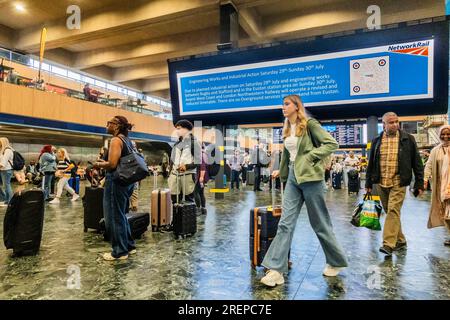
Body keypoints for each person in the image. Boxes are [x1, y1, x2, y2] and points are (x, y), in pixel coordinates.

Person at [260, 95, 348, 287]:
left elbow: (332, 144)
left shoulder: (310, 124)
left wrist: (310, 157)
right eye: (283, 104)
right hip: (292, 177)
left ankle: (336, 261)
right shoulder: (286, 128)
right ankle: (276, 269)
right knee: (285, 223)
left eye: (286, 104)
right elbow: (289, 154)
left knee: (320, 223)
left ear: (296, 106)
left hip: (311, 178)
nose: (283, 107)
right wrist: (281, 171)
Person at [365, 112, 424, 257]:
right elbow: (371, 163)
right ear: (384, 124)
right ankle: (401, 240)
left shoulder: (407, 139)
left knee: (393, 211)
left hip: (399, 181)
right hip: (380, 182)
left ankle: (388, 244)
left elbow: (417, 161)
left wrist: (419, 182)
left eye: (396, 121)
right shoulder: (377, 140)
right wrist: (368, 183)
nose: (395, 124)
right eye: (391, 122)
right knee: (391, 212)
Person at [94, 116, 137, 261]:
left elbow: (112, 164)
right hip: (127, 182)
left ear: (117, 126)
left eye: (109, 123)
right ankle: (129, 246)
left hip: (116, 182)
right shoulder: (127, 140)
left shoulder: (116, 140)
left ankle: (119, 251)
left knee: (113, 216)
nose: (107, 125)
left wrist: (99, 164)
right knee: (121, 214)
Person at [424, 125, 450, 246]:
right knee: (445, 213)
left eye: (448, 134)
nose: (446, 136)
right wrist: (424, 179)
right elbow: (429, 165)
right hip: (441, 186)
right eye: (443, 134)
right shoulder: (435, 150)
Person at [168, 120, 201, 205]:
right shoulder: (176, 144)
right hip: (175, 176)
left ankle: (189, 218)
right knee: (174, 200)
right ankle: (176, 218)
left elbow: (198, 161)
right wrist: (170, 173)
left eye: (179, 128)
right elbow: (172, 160)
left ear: (186, 129)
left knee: (189, 200)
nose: (176, 131)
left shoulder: (194, 143)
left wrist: (186, 166)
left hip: (188, 175)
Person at [194, 143, 208, 215]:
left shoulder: (200, 155)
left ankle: (198, 209)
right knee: (201, 193)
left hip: (200, 176)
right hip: (202, 176)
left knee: (195, 192)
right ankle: (204, 209)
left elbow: (202, 167)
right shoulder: (203, 154)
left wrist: (201, 177)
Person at [0, 138, 15, 206]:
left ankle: (11, 201)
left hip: (7, 170)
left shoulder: (8, 150)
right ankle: (7, 200)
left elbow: (4, 162)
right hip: (4, 170)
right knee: (5, 186)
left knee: (7, 185)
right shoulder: (3, 150)